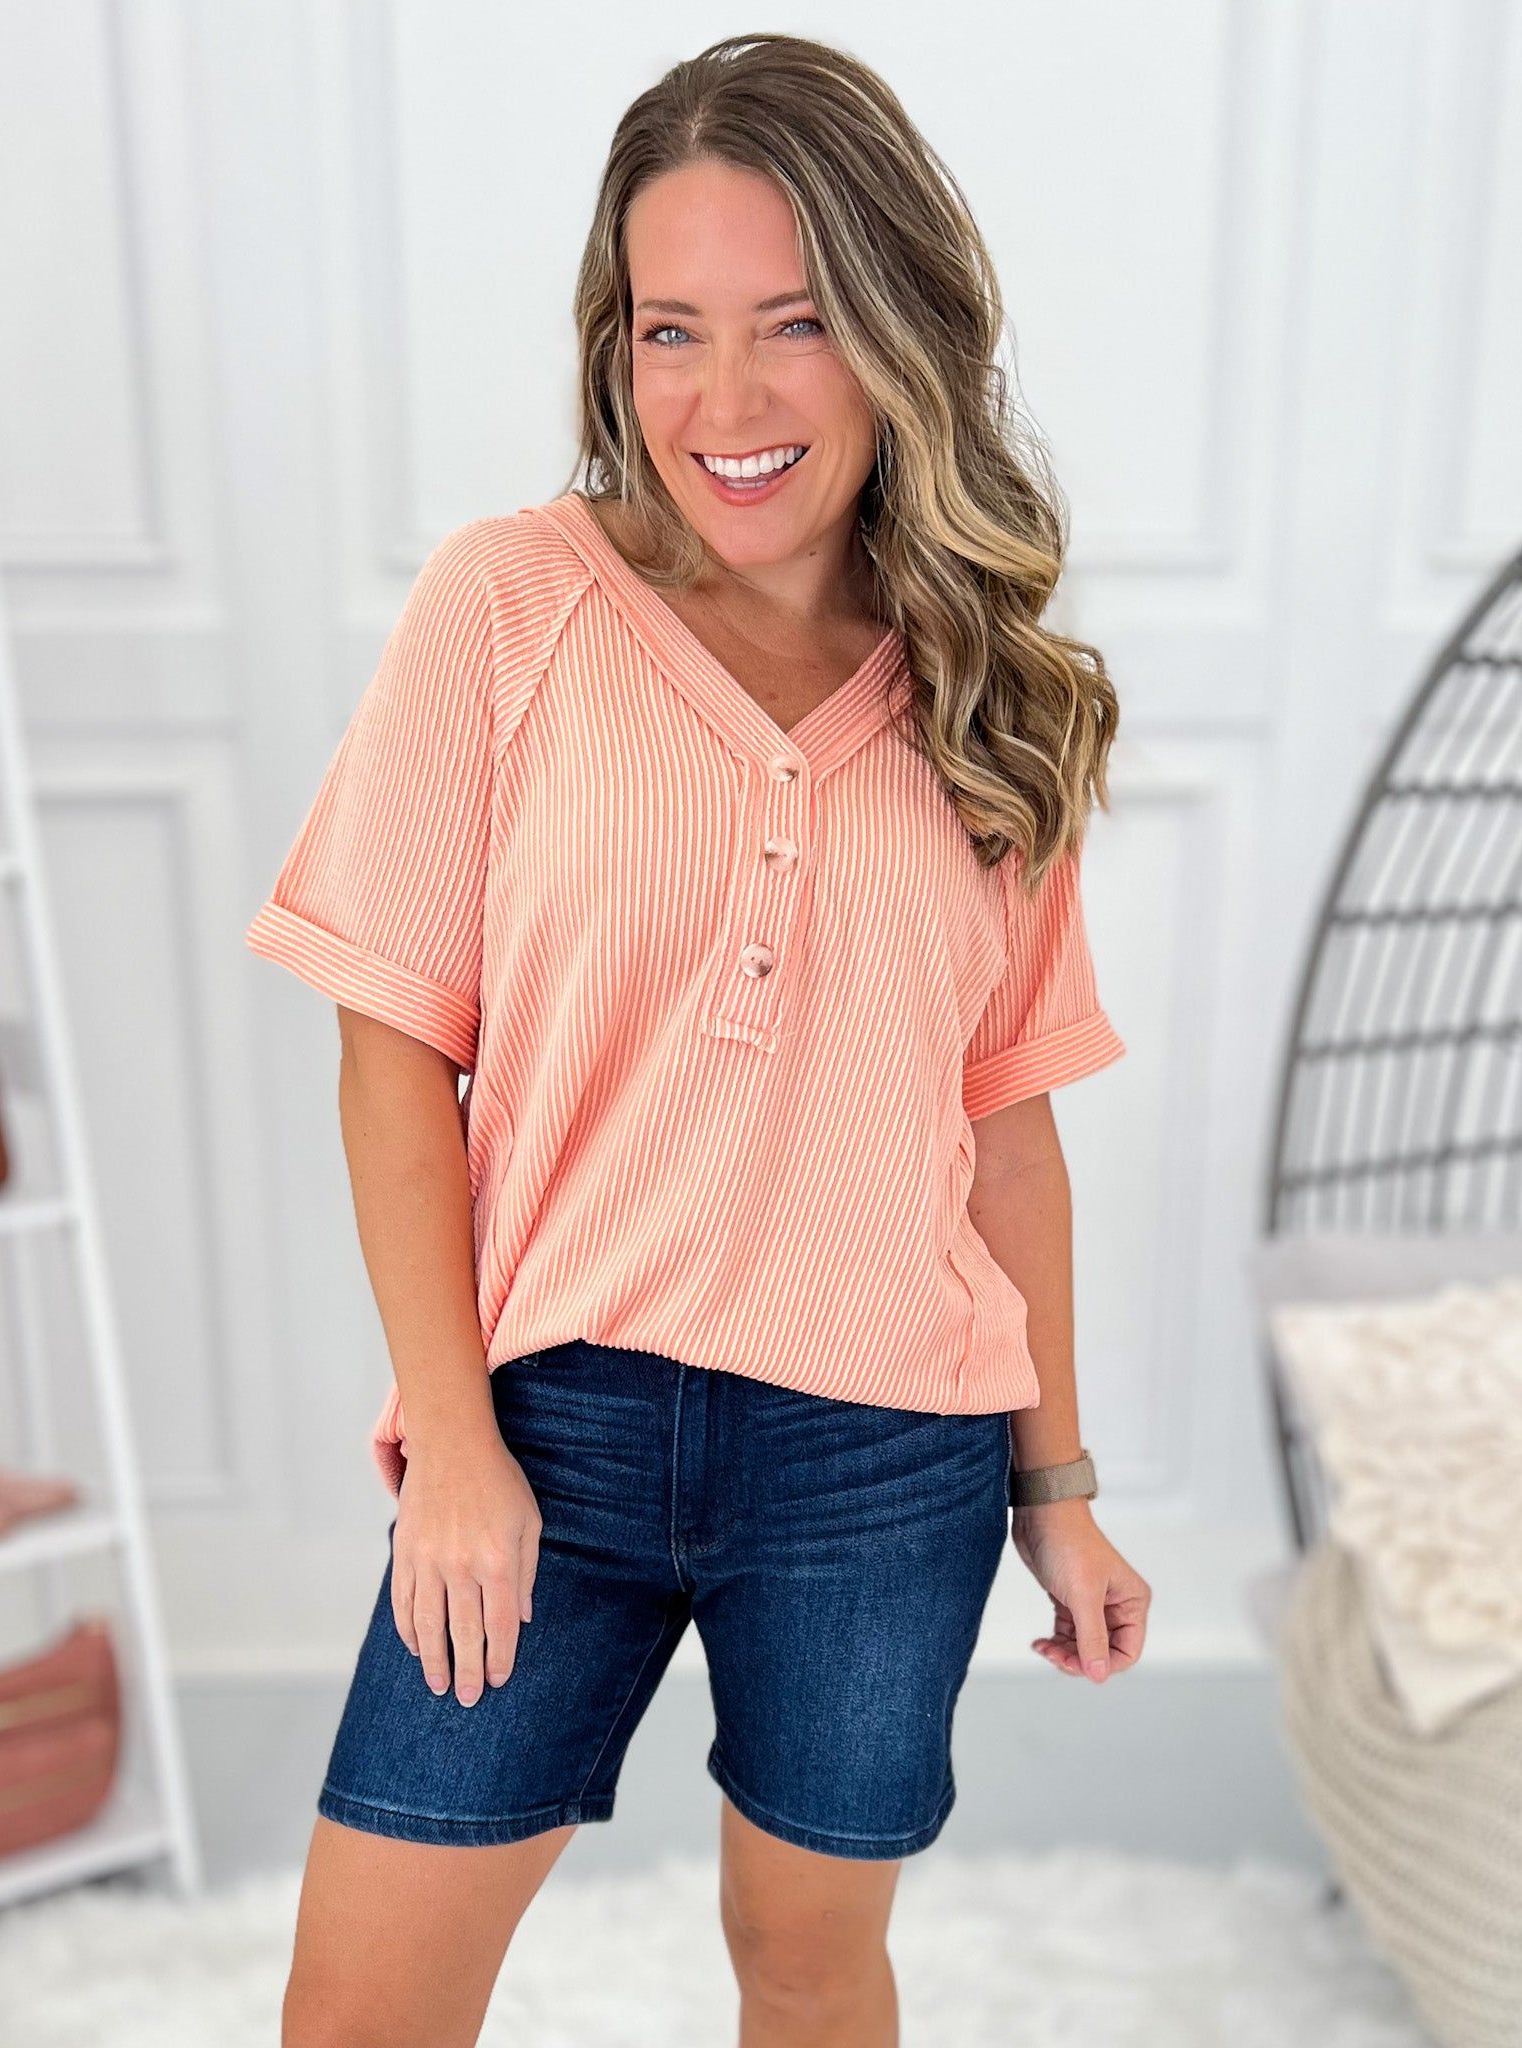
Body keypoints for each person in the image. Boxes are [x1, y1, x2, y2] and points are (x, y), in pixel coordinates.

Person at [251, 31, 1151, 2048]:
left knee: (811, 1973)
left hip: (882, 1457)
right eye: (673, 331)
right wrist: (454, 1441)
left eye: (795, 324)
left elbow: (1006, 1128)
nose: (725, 403)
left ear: (900, 334)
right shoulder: (510, 604)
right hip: (546, 1426)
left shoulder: (989, 693)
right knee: (362, 2007)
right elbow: (392, 1052)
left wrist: (1058, 1485)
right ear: (617, 346)